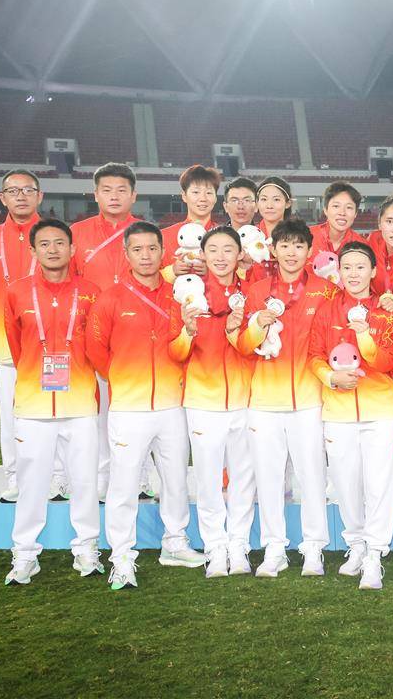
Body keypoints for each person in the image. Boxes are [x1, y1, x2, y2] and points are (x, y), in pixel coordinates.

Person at [86, 222, 205, 590]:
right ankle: (121, 555)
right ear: (127, 254)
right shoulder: (110, 299)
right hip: (129, 408)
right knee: (123, 483)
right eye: (137, 249)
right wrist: (124, 379)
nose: (146, 256)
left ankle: (175, 542)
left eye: (152, 248)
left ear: (162, 252)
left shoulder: (179, 296)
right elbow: (96, 350)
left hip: (172, 406)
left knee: (175, 478)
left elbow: (185, 348)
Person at [3, 219, 102, 585]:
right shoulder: (16, 292)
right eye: (44, 244)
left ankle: (87, 548)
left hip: (80, 404)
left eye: (60, 243)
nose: (53, 249)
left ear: (72, 249)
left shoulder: (91, 292)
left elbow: (97, 344)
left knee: (85, 480)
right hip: (33, 405)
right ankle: (25, 554)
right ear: (33, 251)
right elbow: (17, 347)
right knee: (31, 482)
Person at [236, 219, 333, 578]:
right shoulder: (256, 291)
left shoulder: (326, 291)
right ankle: (274, 548)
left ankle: (313, 548)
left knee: (312, 476)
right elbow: (243, 346)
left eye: (299, 246)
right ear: (273, 250)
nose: (292, 253)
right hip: (264, 401)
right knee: (269, 478)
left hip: (309, 400)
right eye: (285, 245)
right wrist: (256, 325)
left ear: (310, 251)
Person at [307, 241, 393, 590]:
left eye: (361, 267)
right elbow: (314, 355)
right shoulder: (326, 311)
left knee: (379, 484)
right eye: (347, 267)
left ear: (373, 271)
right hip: (338, 411)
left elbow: (389, 363)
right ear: (339, 272)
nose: (354, 274)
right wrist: (332, 378)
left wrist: (365, 338)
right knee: (344, 484)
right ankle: (356, 545)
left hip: (379, 411)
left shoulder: (385, 312)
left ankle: (375, 553)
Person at [168, 226, 256, 578]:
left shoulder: (251, 294)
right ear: (202, 255)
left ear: (239, 255)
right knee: (207, 479)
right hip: (203, 401)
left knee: (243, 478)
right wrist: (187, 333)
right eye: (213, 250)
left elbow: (257, 344)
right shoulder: (187, 294)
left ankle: (239, 545)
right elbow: (175, 353)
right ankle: (215, 547)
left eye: (228, 249)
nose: (221, 257)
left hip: (244, 399)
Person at [70, 162, 147, 500]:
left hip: (138, 338)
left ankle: (140, 479)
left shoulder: (146, 232)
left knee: (140, 411)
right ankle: (103, 478)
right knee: (98, 412)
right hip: (93, 336)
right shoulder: (78, 233)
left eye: (121, 190)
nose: (114, 196)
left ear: (134, 195)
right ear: (95, 194)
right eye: (107, 190)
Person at [0, 169, 51, 503]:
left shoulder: (52, 234)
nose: (21, 196)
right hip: (5, 343)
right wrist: (1, 321)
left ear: (40, 195)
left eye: (28, 189)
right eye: (13, 190)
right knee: (11, 414)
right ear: (2, 198)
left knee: (54, 411)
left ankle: (56, 479)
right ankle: (16, 479)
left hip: (50, 343)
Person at [161, 165, 220, 280]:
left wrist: (212, 272)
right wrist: (171, 271)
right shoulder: (164, 237)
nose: (203, 199)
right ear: (184, 196)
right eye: (196, 192)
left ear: (216, 198)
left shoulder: (225, 236)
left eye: (209, 193)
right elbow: (149, 278)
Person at [311, 181, 365, 257]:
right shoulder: (307, 237)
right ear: (325, 210)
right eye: (336, 206)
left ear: (355, 213)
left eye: (349, 207)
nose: (342, 213)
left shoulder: (362, 246)